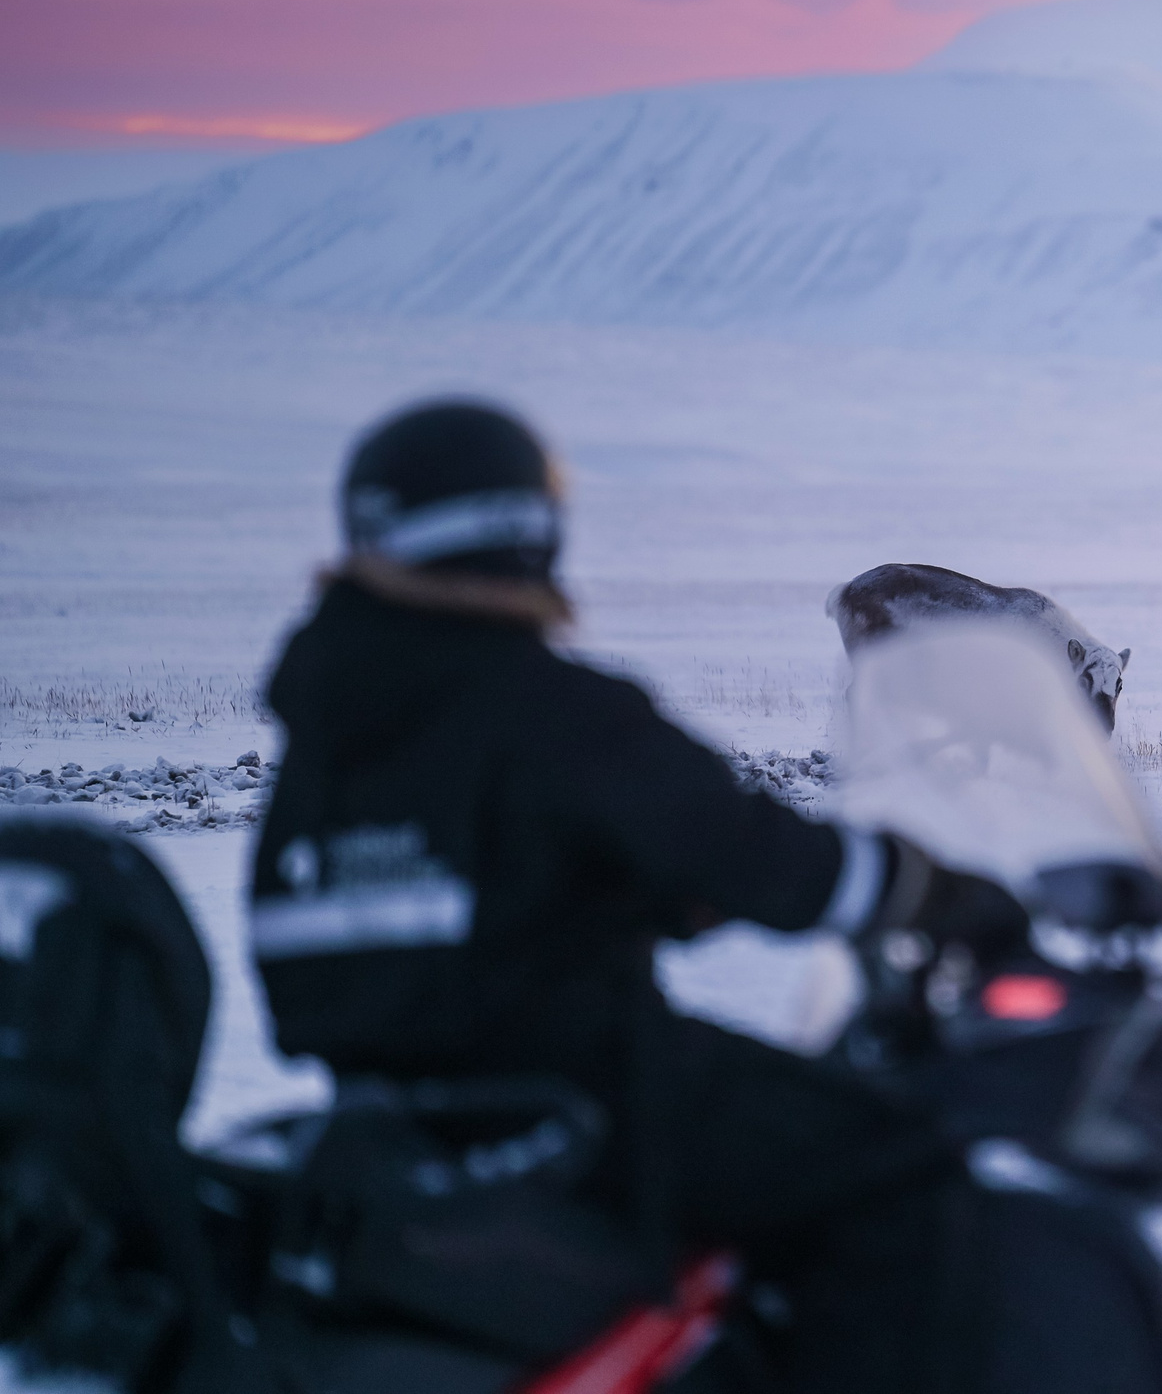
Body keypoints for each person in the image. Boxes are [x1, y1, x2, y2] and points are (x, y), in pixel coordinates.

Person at [248, 398, 1022, 1388]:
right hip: (589, 1092)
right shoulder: (546, 706)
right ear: (531, 530)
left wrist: (618, 898)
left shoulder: (325, 738)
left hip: (393, 1113)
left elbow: (374, 930)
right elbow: (755, 854)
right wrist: (928, 891)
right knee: (901, 1168)